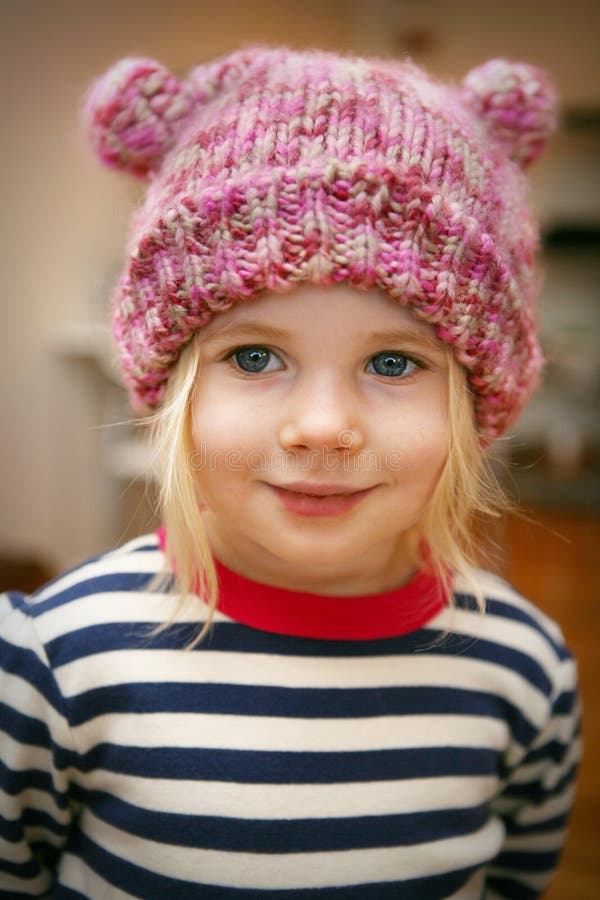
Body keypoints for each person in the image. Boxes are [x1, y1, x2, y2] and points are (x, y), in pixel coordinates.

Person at [0, 47, 581, 898]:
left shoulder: (524, 670)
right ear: (173, 394)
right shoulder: (51, 662)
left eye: (392, 364)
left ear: (475, 401)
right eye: (256, 354)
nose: (322, 427)